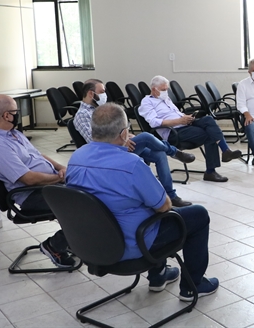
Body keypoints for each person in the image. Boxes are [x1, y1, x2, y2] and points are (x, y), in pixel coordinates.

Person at [66, 103, 219, 299]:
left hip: (92, 243)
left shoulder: (76, 157)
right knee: (196, 215)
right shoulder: (131, 164)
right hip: (132, 244)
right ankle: (193, 285)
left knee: (139, 210)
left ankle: (158, 275)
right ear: (123, 135)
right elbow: (164, 206)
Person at [0, 95, 74, 267]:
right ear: (7, 115)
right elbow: (28, 179)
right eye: (16, 111)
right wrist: (58, 178)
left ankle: (74, 239)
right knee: (81, 204)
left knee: (90, 190)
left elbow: (39, 156)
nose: (19, 114)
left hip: (48, 185)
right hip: (31, 194)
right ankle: (53, 246)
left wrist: (62, 169)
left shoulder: (13, 134)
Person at [74, 79, 194, 207]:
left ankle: (171, 195)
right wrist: (122, 140)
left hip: (121, 145)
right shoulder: (83, 115)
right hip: (108, 154)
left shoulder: (102, 109)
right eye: (102, 92)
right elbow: (93, 141)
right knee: (146, 137)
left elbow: (118, 129)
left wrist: (126, 136)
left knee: (159, 154)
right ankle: (174, 152)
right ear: (91, 94)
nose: (105, 95)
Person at [139, 76, 242, 183]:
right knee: (209, 135)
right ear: (153, 89)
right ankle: (211, 171)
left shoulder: (165, 99)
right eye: (163, 90)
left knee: (208, 119)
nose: (166, 92)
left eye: (167, 89)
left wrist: (186, 117)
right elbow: (154, 122)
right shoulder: (147, 102)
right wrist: (179, 121)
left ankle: (226, 151)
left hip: (184, 124)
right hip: (173, 132)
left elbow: (176, 113)